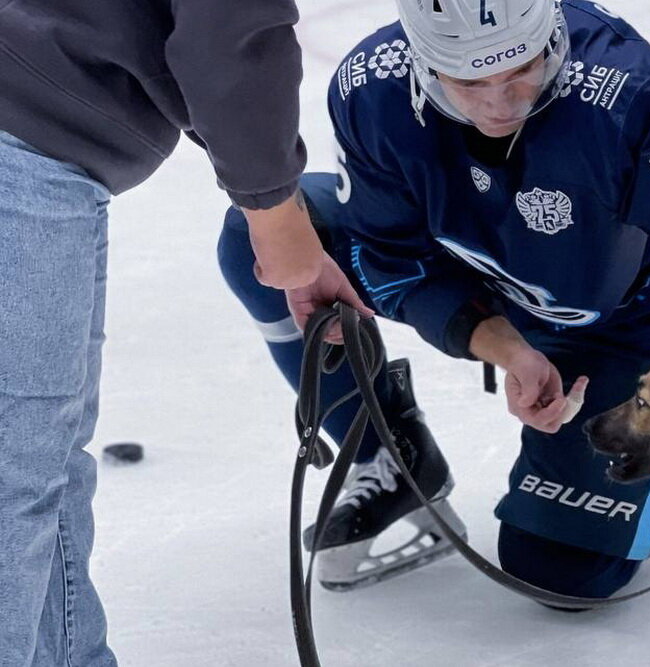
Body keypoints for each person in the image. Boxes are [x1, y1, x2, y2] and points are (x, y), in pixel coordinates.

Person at [218, 0, 650, 601]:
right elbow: (388, 254)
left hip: (623, 320)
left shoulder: (629, 88)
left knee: (561, 573)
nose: (501, 103)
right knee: (260, 238)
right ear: (423, 62)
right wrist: (505, 347)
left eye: (523, 68)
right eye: (469, 80)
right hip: (483, 269)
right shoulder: (372, 86)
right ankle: (388, 458)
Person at [0, 2, 372, 664]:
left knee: (42, 466)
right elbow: (227, 28)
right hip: (24, 130)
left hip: (37, 125)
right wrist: (274, 210)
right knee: (16, 473)